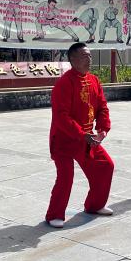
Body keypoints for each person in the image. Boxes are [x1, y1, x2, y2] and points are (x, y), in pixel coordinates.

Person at [45, 42, 114, 228]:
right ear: (73, 59)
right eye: (84, 56)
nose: (89, 59)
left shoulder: (94, 80)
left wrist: (103, 129)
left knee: (105, 166)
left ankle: (95, 205)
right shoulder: (64, 83)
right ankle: (54, 215)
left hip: (87, 139)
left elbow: (102, 107)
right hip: (64, 139)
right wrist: (82, 134)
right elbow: (61, 116)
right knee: (66, 177)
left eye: (90, 55)